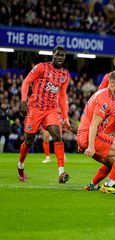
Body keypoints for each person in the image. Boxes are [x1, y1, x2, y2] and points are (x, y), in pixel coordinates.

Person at [18, 46, 70, 183]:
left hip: (51, 110)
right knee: (28, 141)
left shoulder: (65, 75)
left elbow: (63, 96)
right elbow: (26, 82)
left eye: (62, 56)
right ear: (53, 55)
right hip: (35, 108)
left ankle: (61, 173)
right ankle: (20, 166)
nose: (60, 58)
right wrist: (23, 101)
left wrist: (66, 117)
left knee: (57, 136)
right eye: (58, 55)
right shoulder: (41, 67)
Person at [78, 71, 115, 194]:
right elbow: (94, 124)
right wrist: (91, 146)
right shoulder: (105, 99)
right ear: (112, 84)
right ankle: (109, 185)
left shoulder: (105, 95)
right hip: (91, 137)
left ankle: (93, 185)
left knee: (113, 164)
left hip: (85, 136)